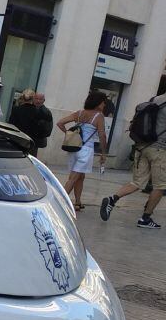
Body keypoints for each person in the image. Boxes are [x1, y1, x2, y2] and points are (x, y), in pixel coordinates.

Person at [100, 90, 166, 228]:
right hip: (159, 149)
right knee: (161, 186)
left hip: (142, 146)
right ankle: (145, 219)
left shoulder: (155, 99)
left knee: (137, 182)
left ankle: (112, 199)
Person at [56, 92, 108, 210]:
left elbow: (60, 123)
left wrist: (70, 134)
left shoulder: (79, 113)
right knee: (73, 178)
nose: (104, 105)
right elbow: (102, 135)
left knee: (80, 176)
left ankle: (78, 202)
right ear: (98, 103)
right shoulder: (99, 116)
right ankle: (59, 203)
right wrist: (103, 153)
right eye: (103, 102)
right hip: (86, 150)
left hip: (74, 148)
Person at [8, 89, 42, 156]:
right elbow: (39, 129)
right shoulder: (37, 112)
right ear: (33, 99)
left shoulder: (16, 109)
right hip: (31, 142)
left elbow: (11, 124)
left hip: (17, 140)